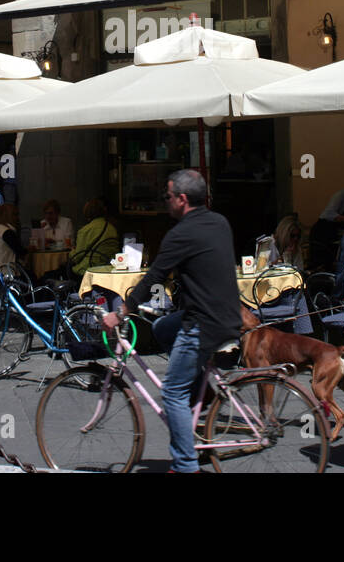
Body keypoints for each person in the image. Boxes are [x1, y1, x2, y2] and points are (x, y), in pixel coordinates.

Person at [102, 169, 241, 473]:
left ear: (181, 199)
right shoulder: (219, 222)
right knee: (163, 328)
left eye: (166, 196)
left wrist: (122, 311)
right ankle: (201, 395)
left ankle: (185, 465)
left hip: (203, 323)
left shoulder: (180, 234)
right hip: (228, 315)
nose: (164, 201)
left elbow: (154, 276)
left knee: (172, 392)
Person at [69, 198, 118, 277]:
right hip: (107, 269)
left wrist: (71, 251)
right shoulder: (112, 229)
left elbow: (76, 257)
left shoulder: (85, 230)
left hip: (88, 270)